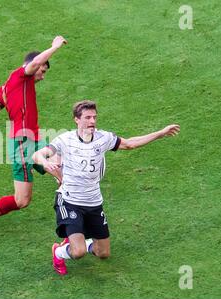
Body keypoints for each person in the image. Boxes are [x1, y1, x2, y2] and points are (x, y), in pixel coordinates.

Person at [32, 100, 180, 275]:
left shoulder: (104, 138)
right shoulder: (65, 140)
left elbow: (130, 143)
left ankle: (81, 241)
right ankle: (58, 252)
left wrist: (160, 133)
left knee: (103, 253)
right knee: (77, 253)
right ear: (76, 120)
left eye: (94, 117)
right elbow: (38, 155)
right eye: (87, 117)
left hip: (94, 202)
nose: (92, 121)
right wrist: (44, 163)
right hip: (69, 201)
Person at [0, 36, 67, 236]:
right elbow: (34, 63)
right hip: (22, 146)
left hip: (33, 140)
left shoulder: (8, 87)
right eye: (42, 71)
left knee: (63, 165)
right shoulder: (20, 76)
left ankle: (75, 221)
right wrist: (54, 46)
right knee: (22, 201)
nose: (42, 77)